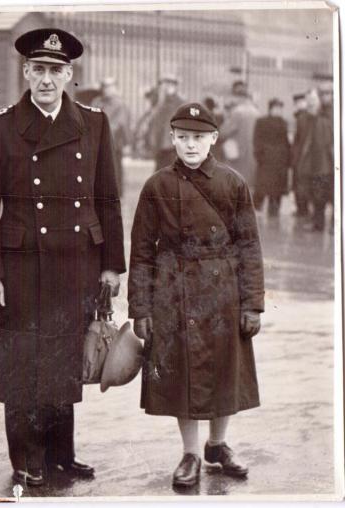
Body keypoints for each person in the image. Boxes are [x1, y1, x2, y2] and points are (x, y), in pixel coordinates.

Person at [0, 28, 125, 487]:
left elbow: (107, 197)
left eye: (56, 71)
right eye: (38, 70)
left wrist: (112, 264)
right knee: (23, 360)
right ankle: (26, 457)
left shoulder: (94, 122)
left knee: (64, 356)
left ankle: (61, 454)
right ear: (25, 72)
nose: (47, 80)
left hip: (77, 260)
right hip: (20, 264)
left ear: (69, 75)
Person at [128, 103, 264, 489]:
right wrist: (140, 307)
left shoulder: (233, 183)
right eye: (183, 138)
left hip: (223, 293)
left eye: (199, 138)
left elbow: (250, 246)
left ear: (214, 140)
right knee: (181, 374)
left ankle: (217, 445)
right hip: (172, 291)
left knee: (224, 370)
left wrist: (253, 303)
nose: (190, 146)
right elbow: (141, 251)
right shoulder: (157, 186)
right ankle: (190, 453)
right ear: (171, 138)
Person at [91, 76, 132, 192]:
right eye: (105, 86)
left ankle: (117, 193)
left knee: (115, 168)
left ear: (115, 88)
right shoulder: (97, 102)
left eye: (110, 86)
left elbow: (120, 123)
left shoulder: (120, 104)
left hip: (114, 142)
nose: (106, 89)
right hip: (98, 141)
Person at [252, 98, 291, 217]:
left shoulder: (284, 122)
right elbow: (256, 139)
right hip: (266, 159)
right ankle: (255, 208)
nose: (278, 110)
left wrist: (287, 159)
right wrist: (259, 155)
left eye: (280, 108)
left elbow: (287, 142)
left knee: (277, 188)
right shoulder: (261, 121)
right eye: (276, 108)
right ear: (270, 109)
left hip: (280, 160)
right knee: (262, 186)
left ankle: (274, 211)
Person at [218, 82, 260, 187]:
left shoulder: (237, 112)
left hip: (236, 157)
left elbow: (222, 132)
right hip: (252, 157)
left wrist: (225, 116)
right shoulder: (256, 112)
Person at [308, 80, 334, 232]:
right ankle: (319, 224)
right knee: (318, 195)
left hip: (329, 162)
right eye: (322, 94)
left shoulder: (332, 113)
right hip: (319, 161)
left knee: (332, 195)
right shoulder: (318, 113)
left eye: (328, 93)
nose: (325, 97)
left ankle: (332, 226)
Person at [147, 74, 184, 171]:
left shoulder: (180, 103)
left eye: (170, 84)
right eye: (165, 84)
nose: (167, 87)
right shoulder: (160, 102)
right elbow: (154, 121)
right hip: (160, 144)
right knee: (160, 172)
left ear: (175, 86)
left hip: (172, 145)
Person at [290, 91, 310, 217]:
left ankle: (302, 210)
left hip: (300, 157)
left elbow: (300, 140)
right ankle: (302, 209)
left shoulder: (302, 118)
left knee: (299, 183)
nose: (297, 105)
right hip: (302, 156)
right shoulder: (303, 116)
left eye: (299, 103)